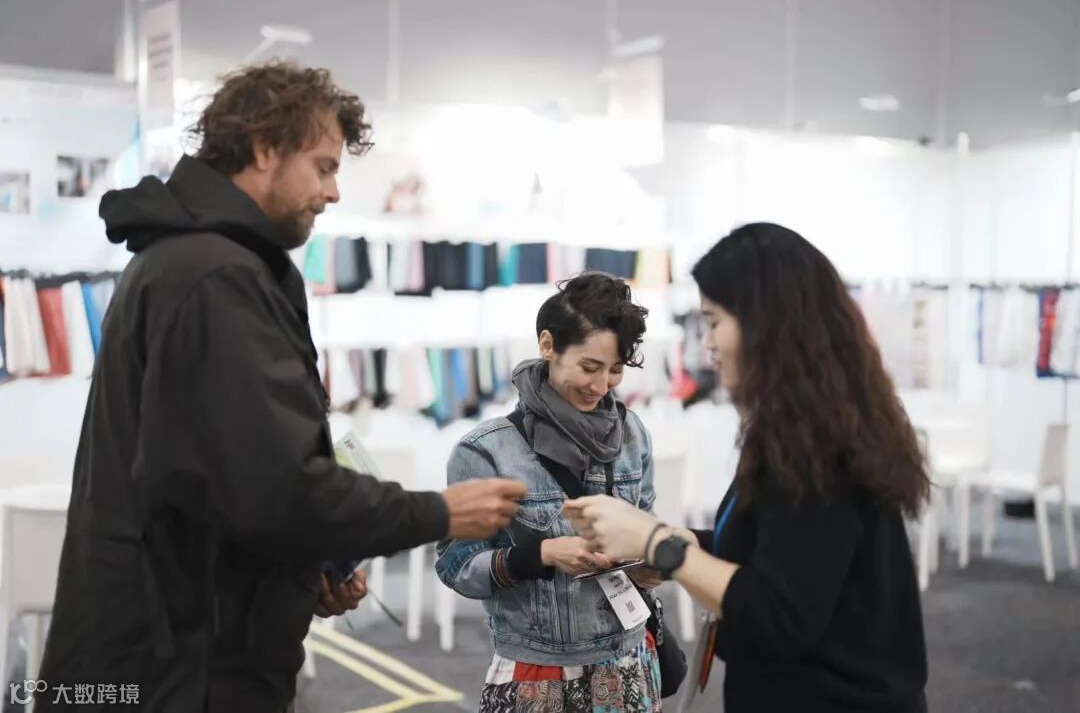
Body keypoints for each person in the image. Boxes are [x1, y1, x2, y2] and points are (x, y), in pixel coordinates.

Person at [38, 62, 526, 713]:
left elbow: (220, 480)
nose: (333, 192)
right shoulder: (215, 278)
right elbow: (278, 485)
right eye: (323, 167)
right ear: (266, 149)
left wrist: (300, 563)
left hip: (182, 643)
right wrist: (440, 513)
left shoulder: (196, 262)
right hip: (182, 666)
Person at [565, 223, 930, 712]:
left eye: (715, 323)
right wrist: (674, 544)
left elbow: (777, 616)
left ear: (766, 326)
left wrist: (661, 545)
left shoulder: (816, 447)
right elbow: (785, 554)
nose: (708, 345)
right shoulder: (807, 427)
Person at [435, 272, 665, 712]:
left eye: (615, 370)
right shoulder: (487, 451)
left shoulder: (633, 433)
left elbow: (648, 525)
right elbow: (455, 564)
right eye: (589, 367)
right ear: (547, 346)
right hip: (539, 674)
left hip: (631, 659)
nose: (601, 386)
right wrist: (541, 555)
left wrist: (649, 562)